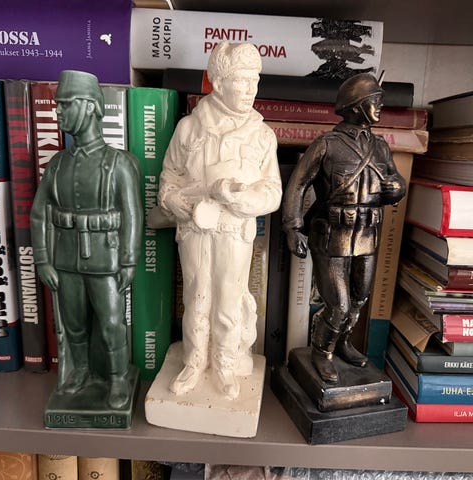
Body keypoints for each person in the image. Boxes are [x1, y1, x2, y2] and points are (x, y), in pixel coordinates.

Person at [158, 42, 282, 399]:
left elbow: (273, 191)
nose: (250, 89)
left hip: (235, 230)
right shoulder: (189, 128)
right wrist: (176, 202)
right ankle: (195, 360)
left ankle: (225, 364)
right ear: (219, 82)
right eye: (241, 80)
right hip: (195, 227)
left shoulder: (262, 135)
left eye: (254, 80)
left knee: (229, 296)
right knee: (197, 295)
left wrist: (241, 198)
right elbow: (168, 180)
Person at [282, 73, 406, 384]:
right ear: (357, 106)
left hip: (367, 235)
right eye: (375, 101)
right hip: (332, 236)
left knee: (360, 298)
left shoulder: (380, 147)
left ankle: (342, 343)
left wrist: (396, 188)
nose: (381, 106)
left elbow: (395, 181)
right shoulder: (327, 144)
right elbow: (298, 184)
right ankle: (322, 351)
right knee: (338, 305)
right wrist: (292, 227)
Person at [30, 70, 143, 409]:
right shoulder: (57, 165)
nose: (58, 111)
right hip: (66, 259)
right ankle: (79, 371)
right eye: (58, 104)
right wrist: (42, 259)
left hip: (105, 259)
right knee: (74, 324)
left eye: (66, 104)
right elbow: (39, 214)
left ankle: (118, 377)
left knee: (111, 323)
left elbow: (132, 215)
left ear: (90, 106)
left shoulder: (118, 164)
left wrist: (128, 261)